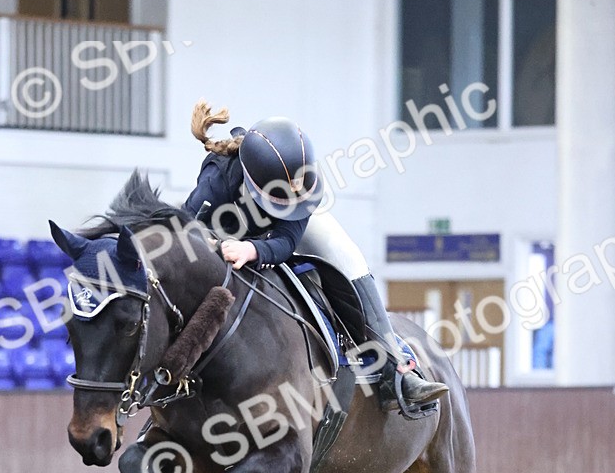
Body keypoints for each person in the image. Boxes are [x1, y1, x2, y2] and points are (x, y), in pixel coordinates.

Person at [182, 101, 448, 410]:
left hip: (274, 235)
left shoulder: (302, 187)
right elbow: (189, 228)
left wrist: (252, 249)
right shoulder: (221, 173)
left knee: (345, 255)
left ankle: (396, 368)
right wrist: (215, 245)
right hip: (222, 235)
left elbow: (284, 242)